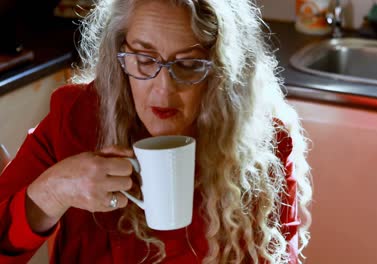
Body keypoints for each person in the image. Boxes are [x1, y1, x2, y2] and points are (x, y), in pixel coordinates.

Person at [0, 0, 312, 263]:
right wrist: (53, 191)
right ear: (118, 53)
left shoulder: (264, 144)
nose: (164, 90)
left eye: (188, 64)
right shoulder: (75, 118)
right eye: (144, 60)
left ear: (220, 68)